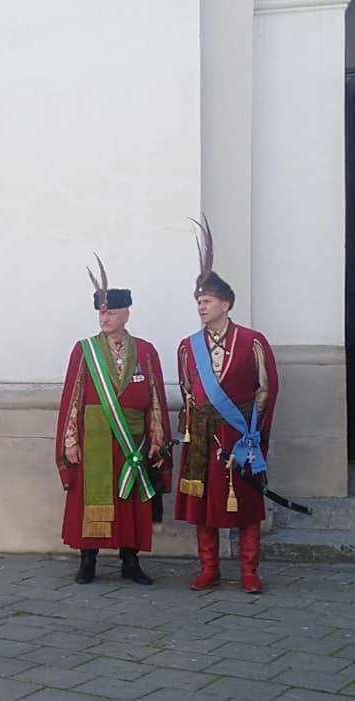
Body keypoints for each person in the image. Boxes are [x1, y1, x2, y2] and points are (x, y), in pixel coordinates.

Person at [175, 216, 279, 593]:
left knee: (246, 503)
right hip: (202, 434)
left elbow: (267, 389)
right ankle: (209, 569)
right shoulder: (188, 347)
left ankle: (249, 571)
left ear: (226, 303)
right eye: (198, 302)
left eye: (206, 301)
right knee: (203, 504)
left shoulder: (253, 341)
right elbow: (188, 390)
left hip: (239, 434)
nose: (201, 307)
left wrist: (254, 435)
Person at [55, 258, 173, 585]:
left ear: (126, 315)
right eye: (101, 313)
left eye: (110, 313)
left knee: (131, 500)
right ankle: (87, 560)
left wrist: (156, 440)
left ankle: (131, 562)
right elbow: (73, 400)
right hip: (93, 439)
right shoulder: (84, 351)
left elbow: (154, 401)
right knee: (89, 499)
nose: (104, 319)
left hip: (132, 438)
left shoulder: (146, 351)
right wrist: (71, 441)